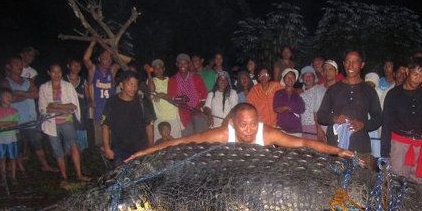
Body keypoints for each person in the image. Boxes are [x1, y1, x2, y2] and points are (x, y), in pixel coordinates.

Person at [127, 103, 354, 162]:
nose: (249, 130)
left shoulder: (267, 134)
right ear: (233, 124)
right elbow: (183, 141)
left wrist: (338, 150)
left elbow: (304, 143)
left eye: (253, 124)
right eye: (243, 125)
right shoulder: (223, 133)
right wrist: (144, 152)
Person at [317, 51, 382, 164]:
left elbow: (378, 118)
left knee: (360, 181)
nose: (350, 66)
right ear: (343, 63)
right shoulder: (334, 89)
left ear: (362, 65)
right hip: (335, 148)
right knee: (333, 181)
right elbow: (321, 115)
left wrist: (364, 125)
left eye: (355, 62)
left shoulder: (369, 90)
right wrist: (334, 118)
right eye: (347, 62)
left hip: (360, 148)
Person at [1, 56, 56, 174]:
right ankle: (18, 170)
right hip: (14, 120)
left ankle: (45, 165)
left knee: (37, 142)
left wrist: (19, 93)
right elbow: (9, 99)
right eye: (16, 64)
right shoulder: (6, 82)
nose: (19, 67)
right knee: (17, 144)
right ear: (9, 66)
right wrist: (27, 94)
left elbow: (36, 95)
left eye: (20, 64)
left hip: (30, 119)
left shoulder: (28, 80)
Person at [39, 64, 89, 184]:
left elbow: (73, 106)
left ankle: (79, 174)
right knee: (57, 150)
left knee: (74, 145)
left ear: (62, 72)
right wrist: (62, 108)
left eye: (59, 71)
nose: (56, 74)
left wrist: (55, 106)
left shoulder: (67, 86)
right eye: (53, 72)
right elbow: (44, 108)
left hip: (66, 121)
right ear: (49, 73)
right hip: (51, 122)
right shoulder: (44, 87)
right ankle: (64, 177)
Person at [101, 71, 154, 167]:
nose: (133, 88)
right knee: (120, 176)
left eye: (135, 85)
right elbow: (105, 125)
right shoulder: (112, 102)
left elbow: (149, 124)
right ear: (121, 85)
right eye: (130, 84)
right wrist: (107, 147)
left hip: (141, 147)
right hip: (120, 148)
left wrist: (150, 147)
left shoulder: (142, 102)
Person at [83, 40, 131, 146]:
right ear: (99, 59)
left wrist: (112, 52)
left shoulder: (112, 70)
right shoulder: (94, 69)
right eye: (104, 57)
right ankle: (105, 160)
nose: (107, 60)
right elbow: (86, 58)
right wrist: (92, 42)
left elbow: (127, 60)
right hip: (98, 111)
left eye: (109, 58)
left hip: (111, 110)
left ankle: (113, 161)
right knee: (100, 142)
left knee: (113, 140)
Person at [167, 53, 209, 137]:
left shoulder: (196, 77)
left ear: (189, 64)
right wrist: (180, 98)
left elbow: (205, 95)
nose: (182, 65)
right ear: (177, 65)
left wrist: (197, 108)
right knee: (188, 141)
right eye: (180, 63)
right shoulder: (173, 80)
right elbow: (171, 98)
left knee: (202, 138)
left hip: (198, 112)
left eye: (185, 63)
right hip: (183, 115)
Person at [146, 59, 181, 141]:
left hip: (173, 117)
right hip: (159, 118)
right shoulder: (151, 81)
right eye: (155, 68)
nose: (158, 70)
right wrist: (148, 73)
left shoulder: (171, 80)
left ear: (164, 69)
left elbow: (176, 98)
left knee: (176, 144)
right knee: (160, 146)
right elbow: (151, 89)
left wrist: (162, 95)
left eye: (160, 68)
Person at [0, 88, 19, 185]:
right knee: (2, 159)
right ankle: (3, 177)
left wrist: (1, 124)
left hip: (12, 138)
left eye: (10, 96)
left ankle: (13, 177)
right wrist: (8, 123)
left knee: (12, 158)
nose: (9, 98)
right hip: (0, 139)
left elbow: (15, 123)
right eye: (6, 96)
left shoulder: (14, 111)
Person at [64, 58, 89, 151]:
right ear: (68, 66)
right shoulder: (63, 80)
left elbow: (88, 97)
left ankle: (80, 155)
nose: (76, 67)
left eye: (78, 65)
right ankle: (69, 156)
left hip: (81, 112)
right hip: (67, 113)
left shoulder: (83, 81)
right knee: (68, 135)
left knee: (80, 136)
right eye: (74, 65)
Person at [273, 68, 305, 137]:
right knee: (282, 148)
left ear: (295, 80)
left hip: (296, 130)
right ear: (283, 79)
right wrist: (287, 108)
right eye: (288, 77)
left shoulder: (298, 93)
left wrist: (286, 108)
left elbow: (302, 109)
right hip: (282, 129)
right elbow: (276, 109)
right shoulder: (278, 93)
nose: (290, 80)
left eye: (293, 78)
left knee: (297, 148)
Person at [299, 66, 326, 141]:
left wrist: (319, 129)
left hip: (317, 128)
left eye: (310, 75)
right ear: (302, 79)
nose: (308, 78)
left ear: (314, 78)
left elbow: (319, 111)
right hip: (304, 128)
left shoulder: (320, 90)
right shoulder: (301, 95)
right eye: (305, 76)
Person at [364, 72, 385, 159]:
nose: (369, 86)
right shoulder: (361, 91)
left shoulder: (380, 92)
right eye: (367, 83)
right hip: (362, 124)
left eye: (371, 84)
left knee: (374, 152)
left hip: (374, 126)